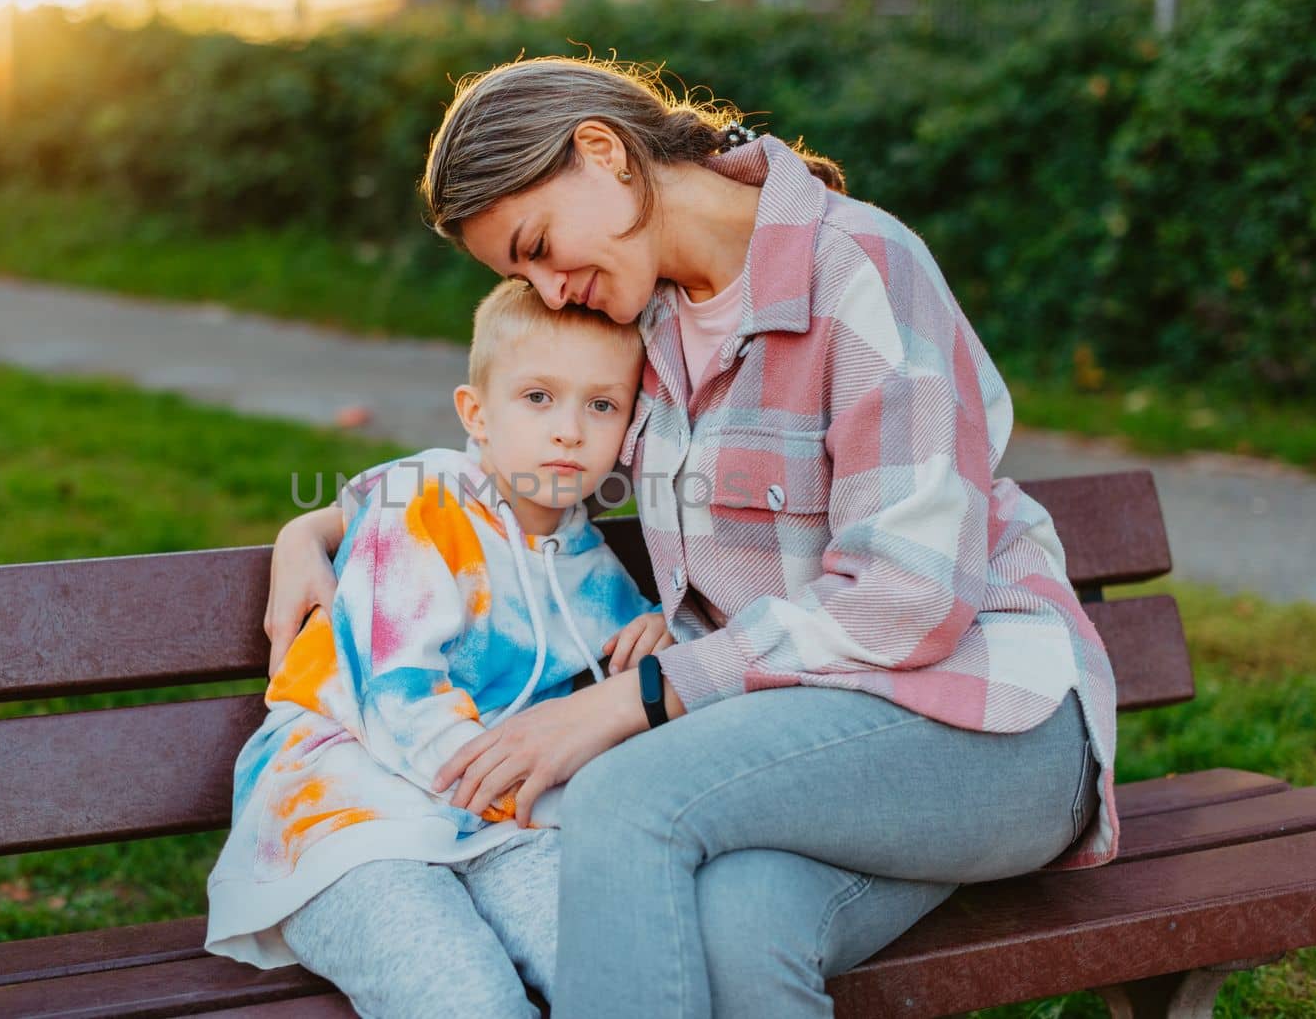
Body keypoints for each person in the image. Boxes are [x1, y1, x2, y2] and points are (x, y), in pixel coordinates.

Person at [264, 56, 1119, 1018]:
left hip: (991, 726)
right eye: (521, 273)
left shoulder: (861, 271)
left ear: (603, 152)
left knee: (621, 798)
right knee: (739, 930)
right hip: (808, 749)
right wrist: (317, 528)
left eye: (540, 242)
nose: (549, 287)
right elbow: (519, 472)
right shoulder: (645, 319)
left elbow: (912, 596)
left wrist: (647, 694)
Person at [206, 279, 669, 1019]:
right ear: (476, 414)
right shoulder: (421, 503)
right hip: (350, 817)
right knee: (468, 1000)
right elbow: (401, 696)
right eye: (538, 397)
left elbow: (645, 689)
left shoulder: (594, 571)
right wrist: (534, 788)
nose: (569, 431)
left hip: (499, 820)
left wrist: (663, 638)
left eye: (602, 405)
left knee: (612, 976)